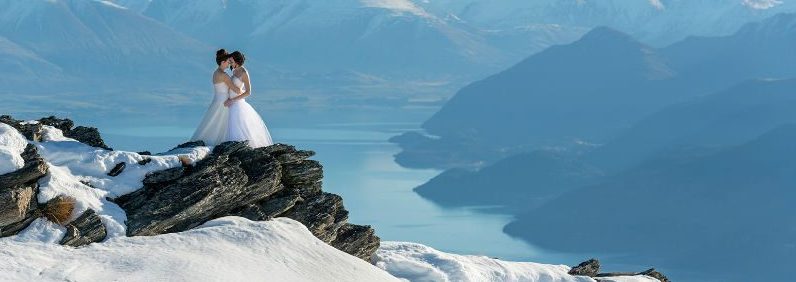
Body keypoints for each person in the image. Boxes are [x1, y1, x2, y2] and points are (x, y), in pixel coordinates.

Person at [190, 49, 243, 146]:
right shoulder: (224, 75)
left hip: (217, 100)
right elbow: (236, 90)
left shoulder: (216, 72)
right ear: (223, 62)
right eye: (227, 62)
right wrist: (240, 86)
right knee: (220, 125)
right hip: (223, 102)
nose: (229, 64)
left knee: (212, 123)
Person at [224, 51, 274, 148]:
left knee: (238, 129)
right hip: (231, 104)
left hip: (238, 105)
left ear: (237, 60)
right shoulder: (234, 71)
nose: (229, 63)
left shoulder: (244, 72)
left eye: (231, 60)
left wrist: (233, 100)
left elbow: (248, 92)